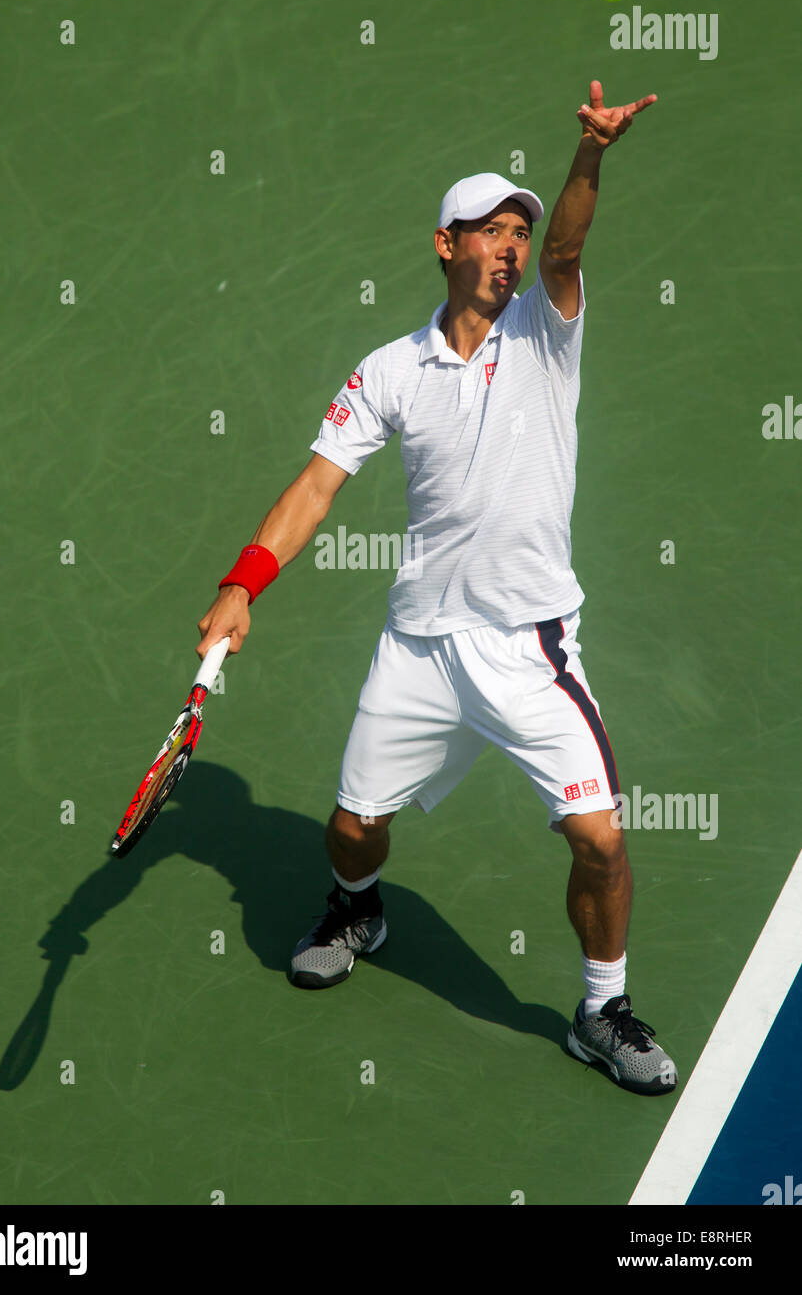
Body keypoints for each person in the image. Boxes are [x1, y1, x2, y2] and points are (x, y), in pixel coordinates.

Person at [197, 81, 677, 1095]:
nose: (511, 245)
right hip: (420, 641)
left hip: (526, 646)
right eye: (489, 231)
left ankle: (601, 1008)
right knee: (352, 823)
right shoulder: (388, 370)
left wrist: (589, 156)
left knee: (597, 835)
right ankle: (356, 905)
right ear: (443, 245)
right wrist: (245, 584)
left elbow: (567, 251)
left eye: (518, 229)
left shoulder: (546, 330)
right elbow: (316, 485)